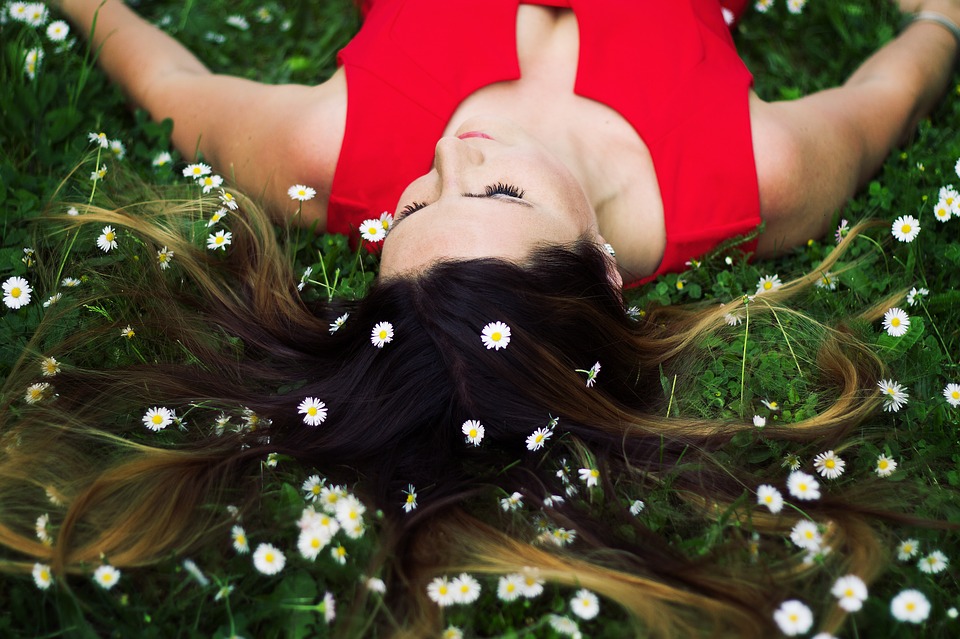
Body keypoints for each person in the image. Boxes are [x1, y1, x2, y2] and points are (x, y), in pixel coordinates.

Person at [1, 0, 958, 637]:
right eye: (497, 190)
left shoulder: (321, 149)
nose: (452, 153)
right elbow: (893, 91)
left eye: (410, 209)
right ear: (608, 275)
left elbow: (166, 88)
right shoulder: (754, 175)